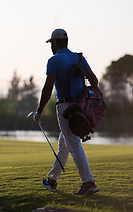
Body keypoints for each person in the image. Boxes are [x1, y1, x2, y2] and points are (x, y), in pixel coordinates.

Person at [34, 28, 99, 195]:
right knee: (65, 142)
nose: (51, 46)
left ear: (54, 43)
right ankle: (52, 179)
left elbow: (48, 88)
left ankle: (88, 182)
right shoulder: (78, 57)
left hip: (65, 108)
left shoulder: (54, 60)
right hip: (81, 107)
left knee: (73, 144)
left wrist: (40, 110)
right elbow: (94, 81)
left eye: (51, 43)